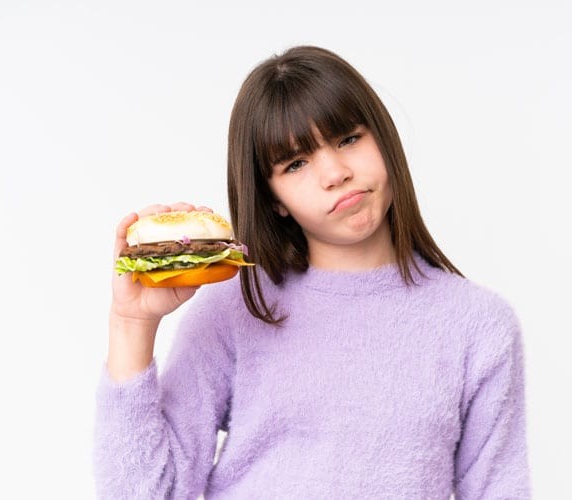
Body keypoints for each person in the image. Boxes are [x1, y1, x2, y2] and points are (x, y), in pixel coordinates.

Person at [95, 45, 531, 498]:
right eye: (296, 163)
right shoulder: (237, 310)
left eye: (348, 139)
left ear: (383, 137)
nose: (335, 173)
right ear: (274, 199)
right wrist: (132, 324)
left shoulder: (479, 326)